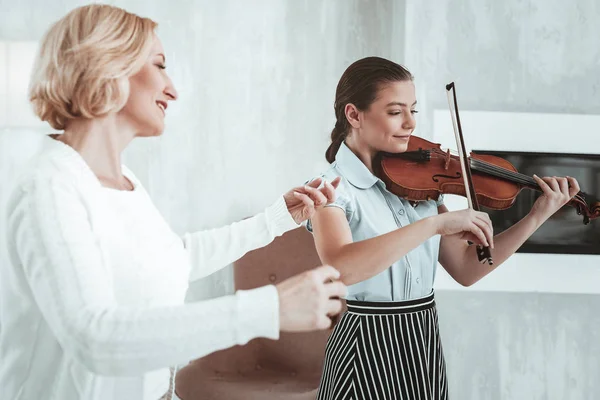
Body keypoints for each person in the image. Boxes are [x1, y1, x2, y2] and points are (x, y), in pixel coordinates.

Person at [0, 4, 346, 400]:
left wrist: (276, 218)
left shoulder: (124, 181)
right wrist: (271, 309)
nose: (173, 88)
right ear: (108, 63)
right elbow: (96, 339)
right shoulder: (47, 188)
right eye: (159, 65)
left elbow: (172, 260)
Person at [307, 56, 580, 400]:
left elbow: (467, 269)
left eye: (413, 110)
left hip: (422, 336)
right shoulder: (328, 188)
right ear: (353, 115)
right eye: (395, 112)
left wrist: (537, 216)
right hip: (365, 342)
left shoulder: (418, 183)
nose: (409, 124)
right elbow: (341, 267)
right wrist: (435, 224)